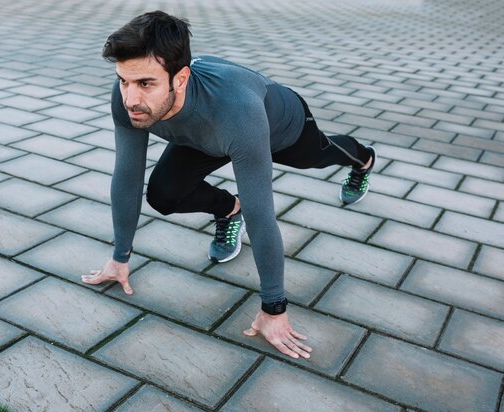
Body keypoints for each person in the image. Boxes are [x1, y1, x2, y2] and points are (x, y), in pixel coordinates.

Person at [82, 11, 375, 360]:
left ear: (181, 78)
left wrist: (274, 308)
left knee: (321, 155)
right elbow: (127, 177)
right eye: (124, 81)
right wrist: (120, 258)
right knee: (163, 194)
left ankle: (363, 159)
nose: (130, 98)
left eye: (146, 83)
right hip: (206, 137)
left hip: (280, 127)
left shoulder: (237, 111)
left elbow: (262, 215)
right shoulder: (130, 100)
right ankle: (226, 209)